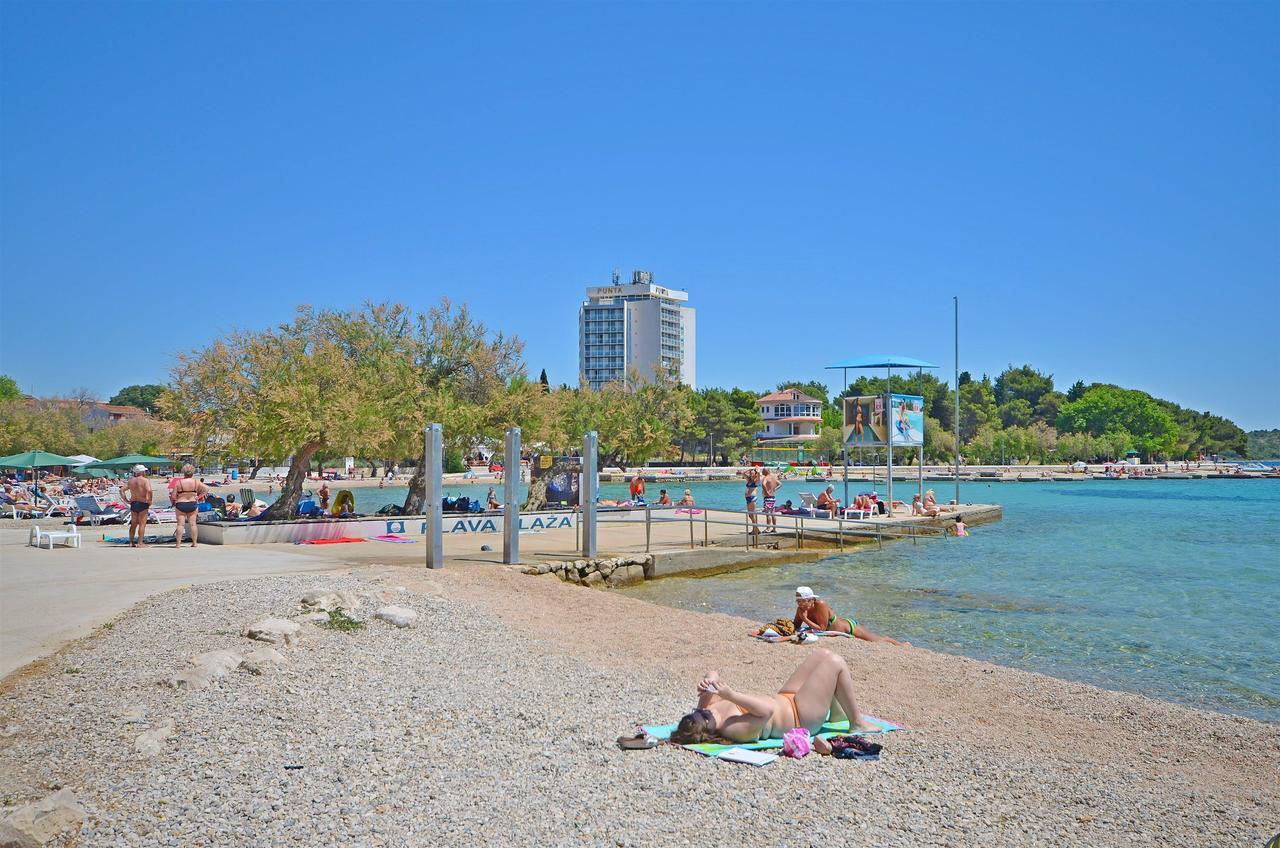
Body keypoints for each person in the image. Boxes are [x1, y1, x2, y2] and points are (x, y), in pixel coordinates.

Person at [668, 649, 879, 749]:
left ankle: (837, 715)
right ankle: (856, 723)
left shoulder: (707, 711)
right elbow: (766, 711)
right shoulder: (733, 729)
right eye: (704, 716)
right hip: (801, 717)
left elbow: (713, 672)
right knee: (835, 662)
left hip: (787, 697)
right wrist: (731, 695)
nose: (705, 710)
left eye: (699, 711)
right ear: (708, 730)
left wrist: (708, 681)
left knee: (822, 654)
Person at [793, 586, 909, 646]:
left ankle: (903, 645)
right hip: (841, 630)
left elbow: (822, 628)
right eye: (798, 601)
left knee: (878, 640)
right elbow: (795, 626)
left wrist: (805, 619)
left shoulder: (820, 605)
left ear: (811, 599)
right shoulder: (801, 609)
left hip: (850, 628)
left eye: (802, 601)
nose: (800, 604)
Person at [171, 463, 208, 548]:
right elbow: (206, 488)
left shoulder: (178, 482)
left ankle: (178, 544)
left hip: (181, 503)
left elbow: (173, 496)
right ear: (192, 472)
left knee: (180, 524)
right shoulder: (196, 482)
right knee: (193, 524)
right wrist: (199, 496)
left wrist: (174, 501)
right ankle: (194, 543)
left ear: (184, 472)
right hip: (192, 503)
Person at [122, 465, 153, 547]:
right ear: (142, 472)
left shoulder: (131, 481)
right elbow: (149, 490)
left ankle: (131, 542)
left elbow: (121, 490)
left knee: (133, 524)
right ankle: (140, 542)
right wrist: (150, 500)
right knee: (142, 524)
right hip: (142, 502)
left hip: (134, 503)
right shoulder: (145, 480)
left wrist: (126, 500)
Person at [761, 468, 782, 534]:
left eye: (763, 471)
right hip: (773, 497)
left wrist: (766, 491)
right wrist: (775, 489)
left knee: (768, 514)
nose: (762, 472)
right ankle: (774, 528)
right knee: (773, 513)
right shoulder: (773, 478)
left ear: (766, 471)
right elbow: (780, 484)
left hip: (767, 497)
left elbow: (763, 484)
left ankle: (768, 528)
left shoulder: (766, 478)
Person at [744, 467, 761, 536]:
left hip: (752, 498)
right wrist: (749, 469)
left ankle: (755, 530)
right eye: (750, 473)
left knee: (753, 514)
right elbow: (743, 473)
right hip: (748, 498)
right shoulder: (749, 480)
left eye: (752, 473)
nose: (751, 474)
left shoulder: (756, 481)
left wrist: (757, 470)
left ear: (755, 474)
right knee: (750, 515)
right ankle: (756, 529)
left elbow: (759, 474)